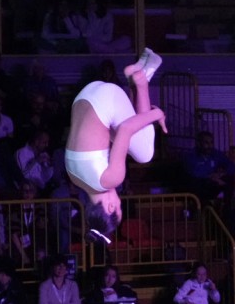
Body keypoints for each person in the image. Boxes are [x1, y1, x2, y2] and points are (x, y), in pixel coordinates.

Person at [64, 48, 166, 226]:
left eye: (120, 207)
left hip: (105, 98)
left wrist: (156, 115)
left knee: (145, 154)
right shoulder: (74, 178)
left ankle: (142, 80)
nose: (120, 200)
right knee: (136, 148)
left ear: (111, 207)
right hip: (84, 95)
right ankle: (140, 80)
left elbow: (126, 128)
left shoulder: (110, 180)